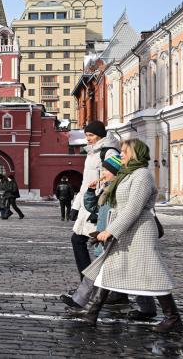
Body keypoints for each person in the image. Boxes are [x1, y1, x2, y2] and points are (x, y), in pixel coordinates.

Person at [70, 139, 183, 333]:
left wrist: (111, 231)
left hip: (139, 232)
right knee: (107, 269)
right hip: (126, 230)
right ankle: (91, 311)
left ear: (136, 154)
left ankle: (173, 318)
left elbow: (133, 209)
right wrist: (106, 228)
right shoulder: (128, 174)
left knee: (152, 272)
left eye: (125, 151)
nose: (121, 154)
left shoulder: (142, 175)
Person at [69, 120, 119, 280]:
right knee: (80, 241)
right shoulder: (92, 153)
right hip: (88, 204)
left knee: (98, 247)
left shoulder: (110, 153)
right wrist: (76, 206)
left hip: (99, 207)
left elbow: (113, 180)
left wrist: (102, 203)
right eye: (86, 135)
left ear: (100, 135)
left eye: (91, 135)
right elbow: (85, 183)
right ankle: (90, 285)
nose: (88, 138)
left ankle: (92, 286)